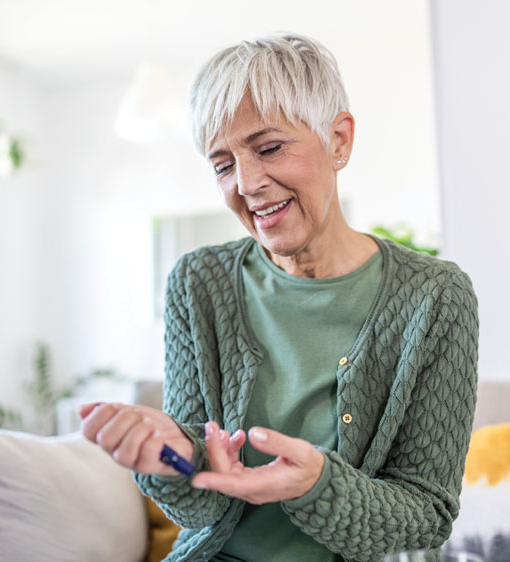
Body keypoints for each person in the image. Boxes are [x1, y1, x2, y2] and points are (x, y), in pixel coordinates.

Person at [79, 34, 479, 562]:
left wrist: (315, 484)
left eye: (268, 148)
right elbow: (196, 500)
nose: (246, 183)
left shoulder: (436, 298)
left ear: (338, 140)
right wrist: (173, 456)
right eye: (223, 165)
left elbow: (426, 514)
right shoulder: (197, 283)